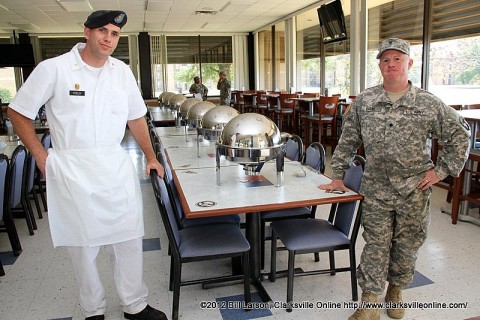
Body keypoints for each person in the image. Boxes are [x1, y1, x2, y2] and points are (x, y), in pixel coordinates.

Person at [8, 10, 167, 320]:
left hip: (113, 165)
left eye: (115, 34)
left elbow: (136, 117)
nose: (108, 38)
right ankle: (93, 309)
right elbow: (18, 111)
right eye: (102, 31)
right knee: (83, 247)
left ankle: (135, 305)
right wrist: (41, 155)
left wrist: (150, 156)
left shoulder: (121, 71)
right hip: (72, 170)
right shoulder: (54, 69)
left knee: (128, 239)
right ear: (87, 32)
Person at [319, 38, 470, 320]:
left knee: (408, 242)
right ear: (380, 65)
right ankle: (370, 303)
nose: (391, 64)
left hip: (414, 189)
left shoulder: (428, 103)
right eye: (385, 60)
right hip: (376, 187)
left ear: (409, 64)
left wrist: (440, 171)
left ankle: (396, 290)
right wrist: (338, 175)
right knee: (375, 243)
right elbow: (348, 139)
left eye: (397, 59)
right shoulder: (365, 100)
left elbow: (460, 136)